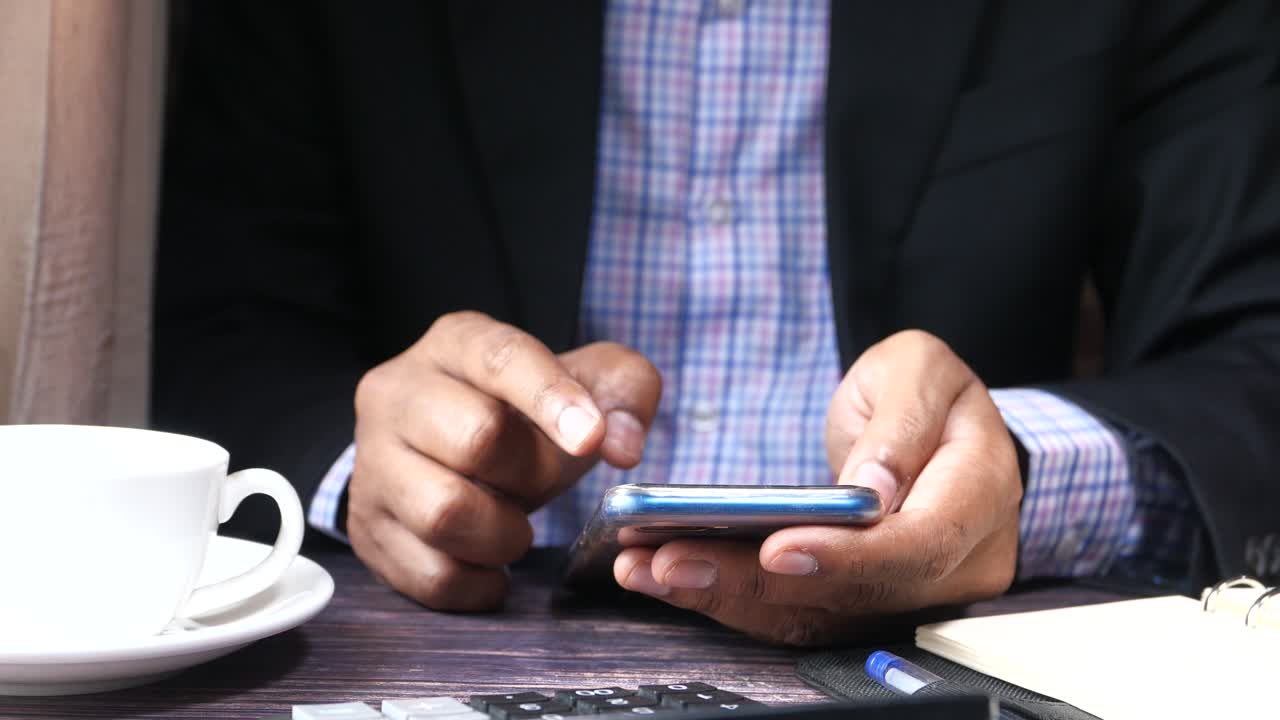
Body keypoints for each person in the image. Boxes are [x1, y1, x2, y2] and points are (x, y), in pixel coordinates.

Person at [154, 0, 1280, 644]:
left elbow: (1254, 359)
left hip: (951, 652)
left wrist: (1011, 476)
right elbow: (210, 339)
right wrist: (373, 466)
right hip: (442, 639)